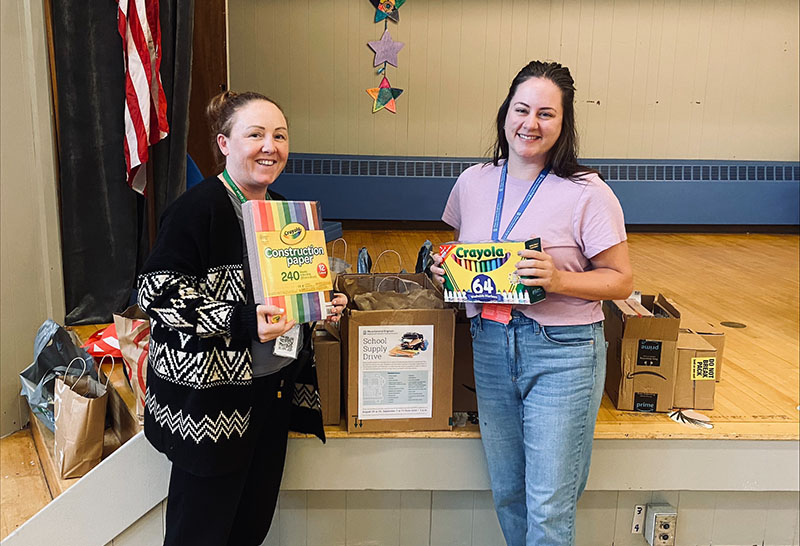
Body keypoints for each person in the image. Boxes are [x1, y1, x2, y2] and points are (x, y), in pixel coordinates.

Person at [431, 61, 633, 545]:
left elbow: (622, 281)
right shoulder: (473, 181)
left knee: (548, 507)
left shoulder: (589, 192)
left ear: (563, 125)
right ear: (505, 114)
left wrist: (559, 278)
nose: (531, 123)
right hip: (490, 344)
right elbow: (465, 253)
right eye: (522, 109)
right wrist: (445, 272)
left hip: (562, 351)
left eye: (546, 114)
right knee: (508, 493)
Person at [137, 90, 347, 546]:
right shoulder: (196, 210)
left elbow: (293, 292)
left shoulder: (286, 211)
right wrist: (241, 320)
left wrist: (319, 304)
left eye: (279, 136)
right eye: (255, 135)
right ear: (225, 143)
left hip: (272, 392)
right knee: (200, 533)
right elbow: (156, 292)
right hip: (211, 404)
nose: (270, 146)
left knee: (251, 526)